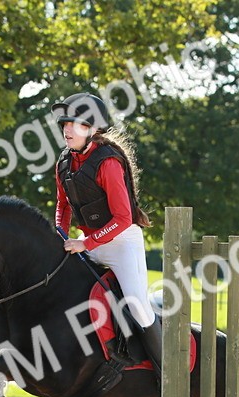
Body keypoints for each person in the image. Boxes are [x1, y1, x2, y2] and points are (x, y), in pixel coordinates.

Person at [52, 91, 163, 374]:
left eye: (74, 124)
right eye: (64, 124)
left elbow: (123, 218)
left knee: (138, 307)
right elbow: (63, 205)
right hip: (86, 242)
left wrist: (86, 243)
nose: (67, 130)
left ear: (92, 128)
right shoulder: (63, 162)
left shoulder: (108, 163)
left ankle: (167, 372)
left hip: (122, 242)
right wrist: (60, 234)